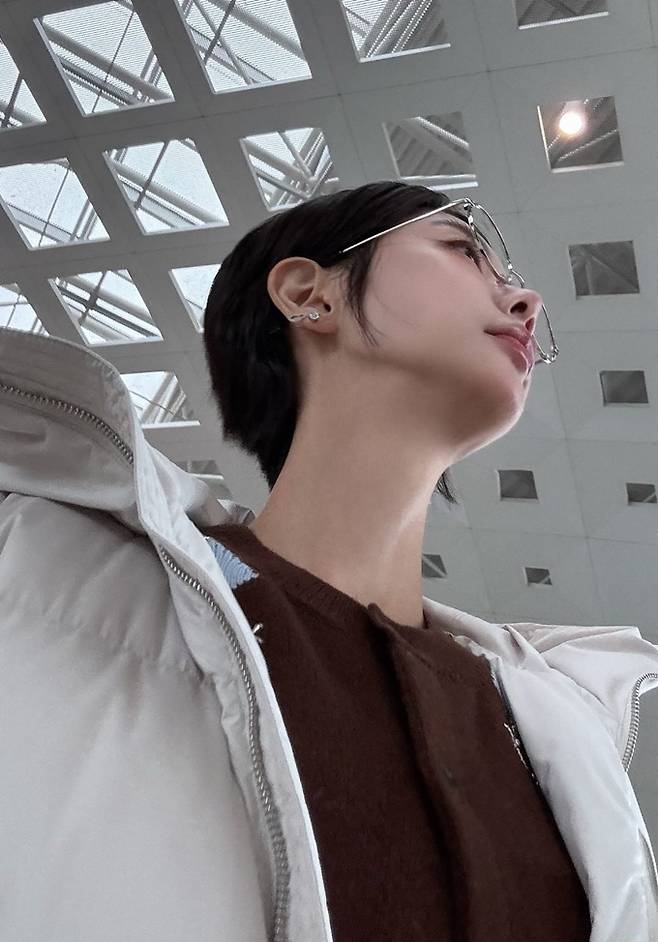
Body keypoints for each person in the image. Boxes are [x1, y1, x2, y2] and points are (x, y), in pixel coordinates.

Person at [1, 181, 657, 942]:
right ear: (309, 295)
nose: (528, 301)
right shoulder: (36, 561)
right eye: (463, 251)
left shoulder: (554, 724)